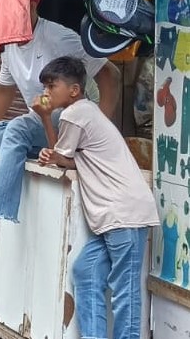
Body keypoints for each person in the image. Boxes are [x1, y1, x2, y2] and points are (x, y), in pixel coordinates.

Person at [0, 0, 119, 246]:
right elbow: (3, 92)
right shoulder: (8, 45)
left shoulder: (59, 37)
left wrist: (100, 128)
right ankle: (58, 154)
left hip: (73, 115)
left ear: (31, 6)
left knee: (18, 129)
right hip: (43, 116)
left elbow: (110, 75)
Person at [35, 56, 157, 339]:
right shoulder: (87, 111)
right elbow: (66, 159)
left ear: (74, 90)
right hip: (113, 216)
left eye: (51, 86)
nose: (46, 93)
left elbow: (61, 155)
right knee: (85, 270)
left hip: (123, 213)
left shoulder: (75, 113)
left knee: (125, 290)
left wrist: (43, 116)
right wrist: (55, 154)